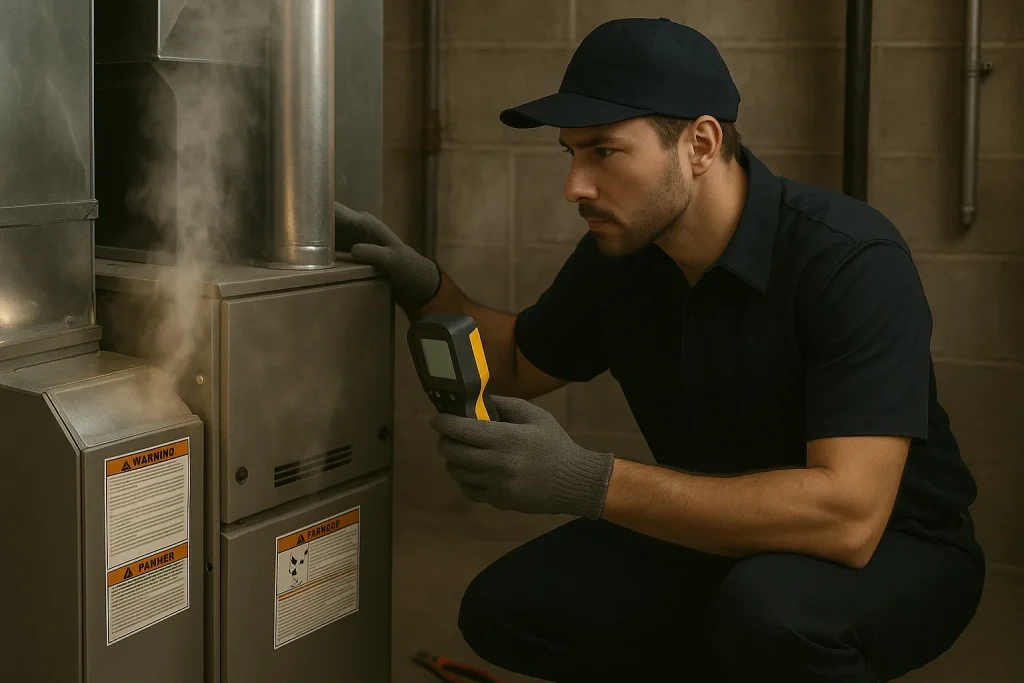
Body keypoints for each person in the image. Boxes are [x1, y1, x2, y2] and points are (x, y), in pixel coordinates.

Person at [335, 17, 985, 683]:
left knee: (769, 613)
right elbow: (516, 364)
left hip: (895, 546)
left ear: (700, 143)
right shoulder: (623, 256)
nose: (575, 186)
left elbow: (848, 517)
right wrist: (423, 287)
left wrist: (588, 480)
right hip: (720, 530)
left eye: (604, 152)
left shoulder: (848, 259)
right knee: (508, 608)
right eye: (571, 154)